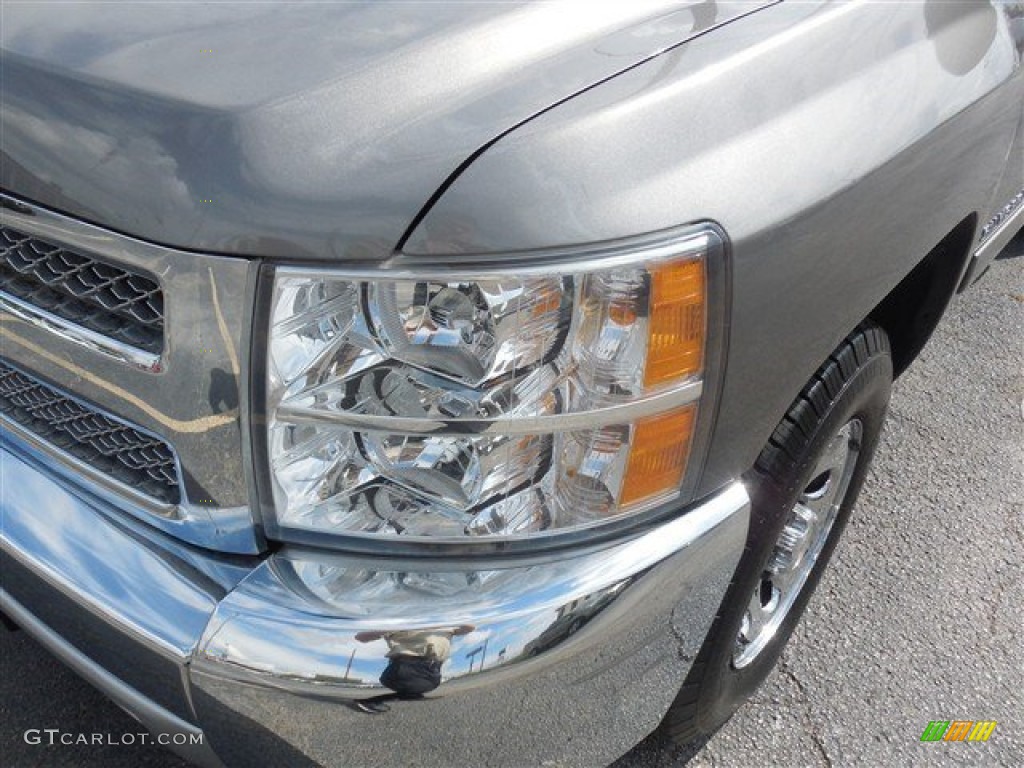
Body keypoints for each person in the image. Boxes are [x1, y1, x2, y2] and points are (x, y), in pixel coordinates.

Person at [351, 625, 474, 714]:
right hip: (409, 665)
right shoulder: (404, 623)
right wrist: (386, 628)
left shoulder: (445, 624)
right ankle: (371, 701)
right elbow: (360, 637)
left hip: (432, 668)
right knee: (422, 687)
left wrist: (447, 622)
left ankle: (376, 700)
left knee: (428, 686)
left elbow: (470, 628)